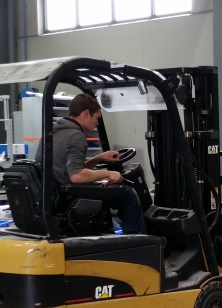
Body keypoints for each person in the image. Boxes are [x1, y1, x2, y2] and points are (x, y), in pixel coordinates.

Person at [35, 93, 146, 234]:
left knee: (113, 191)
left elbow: (72, 169)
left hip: (55, 197)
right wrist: (108, 173)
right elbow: (76, 176)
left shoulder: (52, 133)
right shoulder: (76, 136)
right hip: (70, 198)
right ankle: (138, 241)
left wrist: (99, 158)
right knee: (127, 194)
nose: (97, 123)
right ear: (86, 113)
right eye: (97, 118)